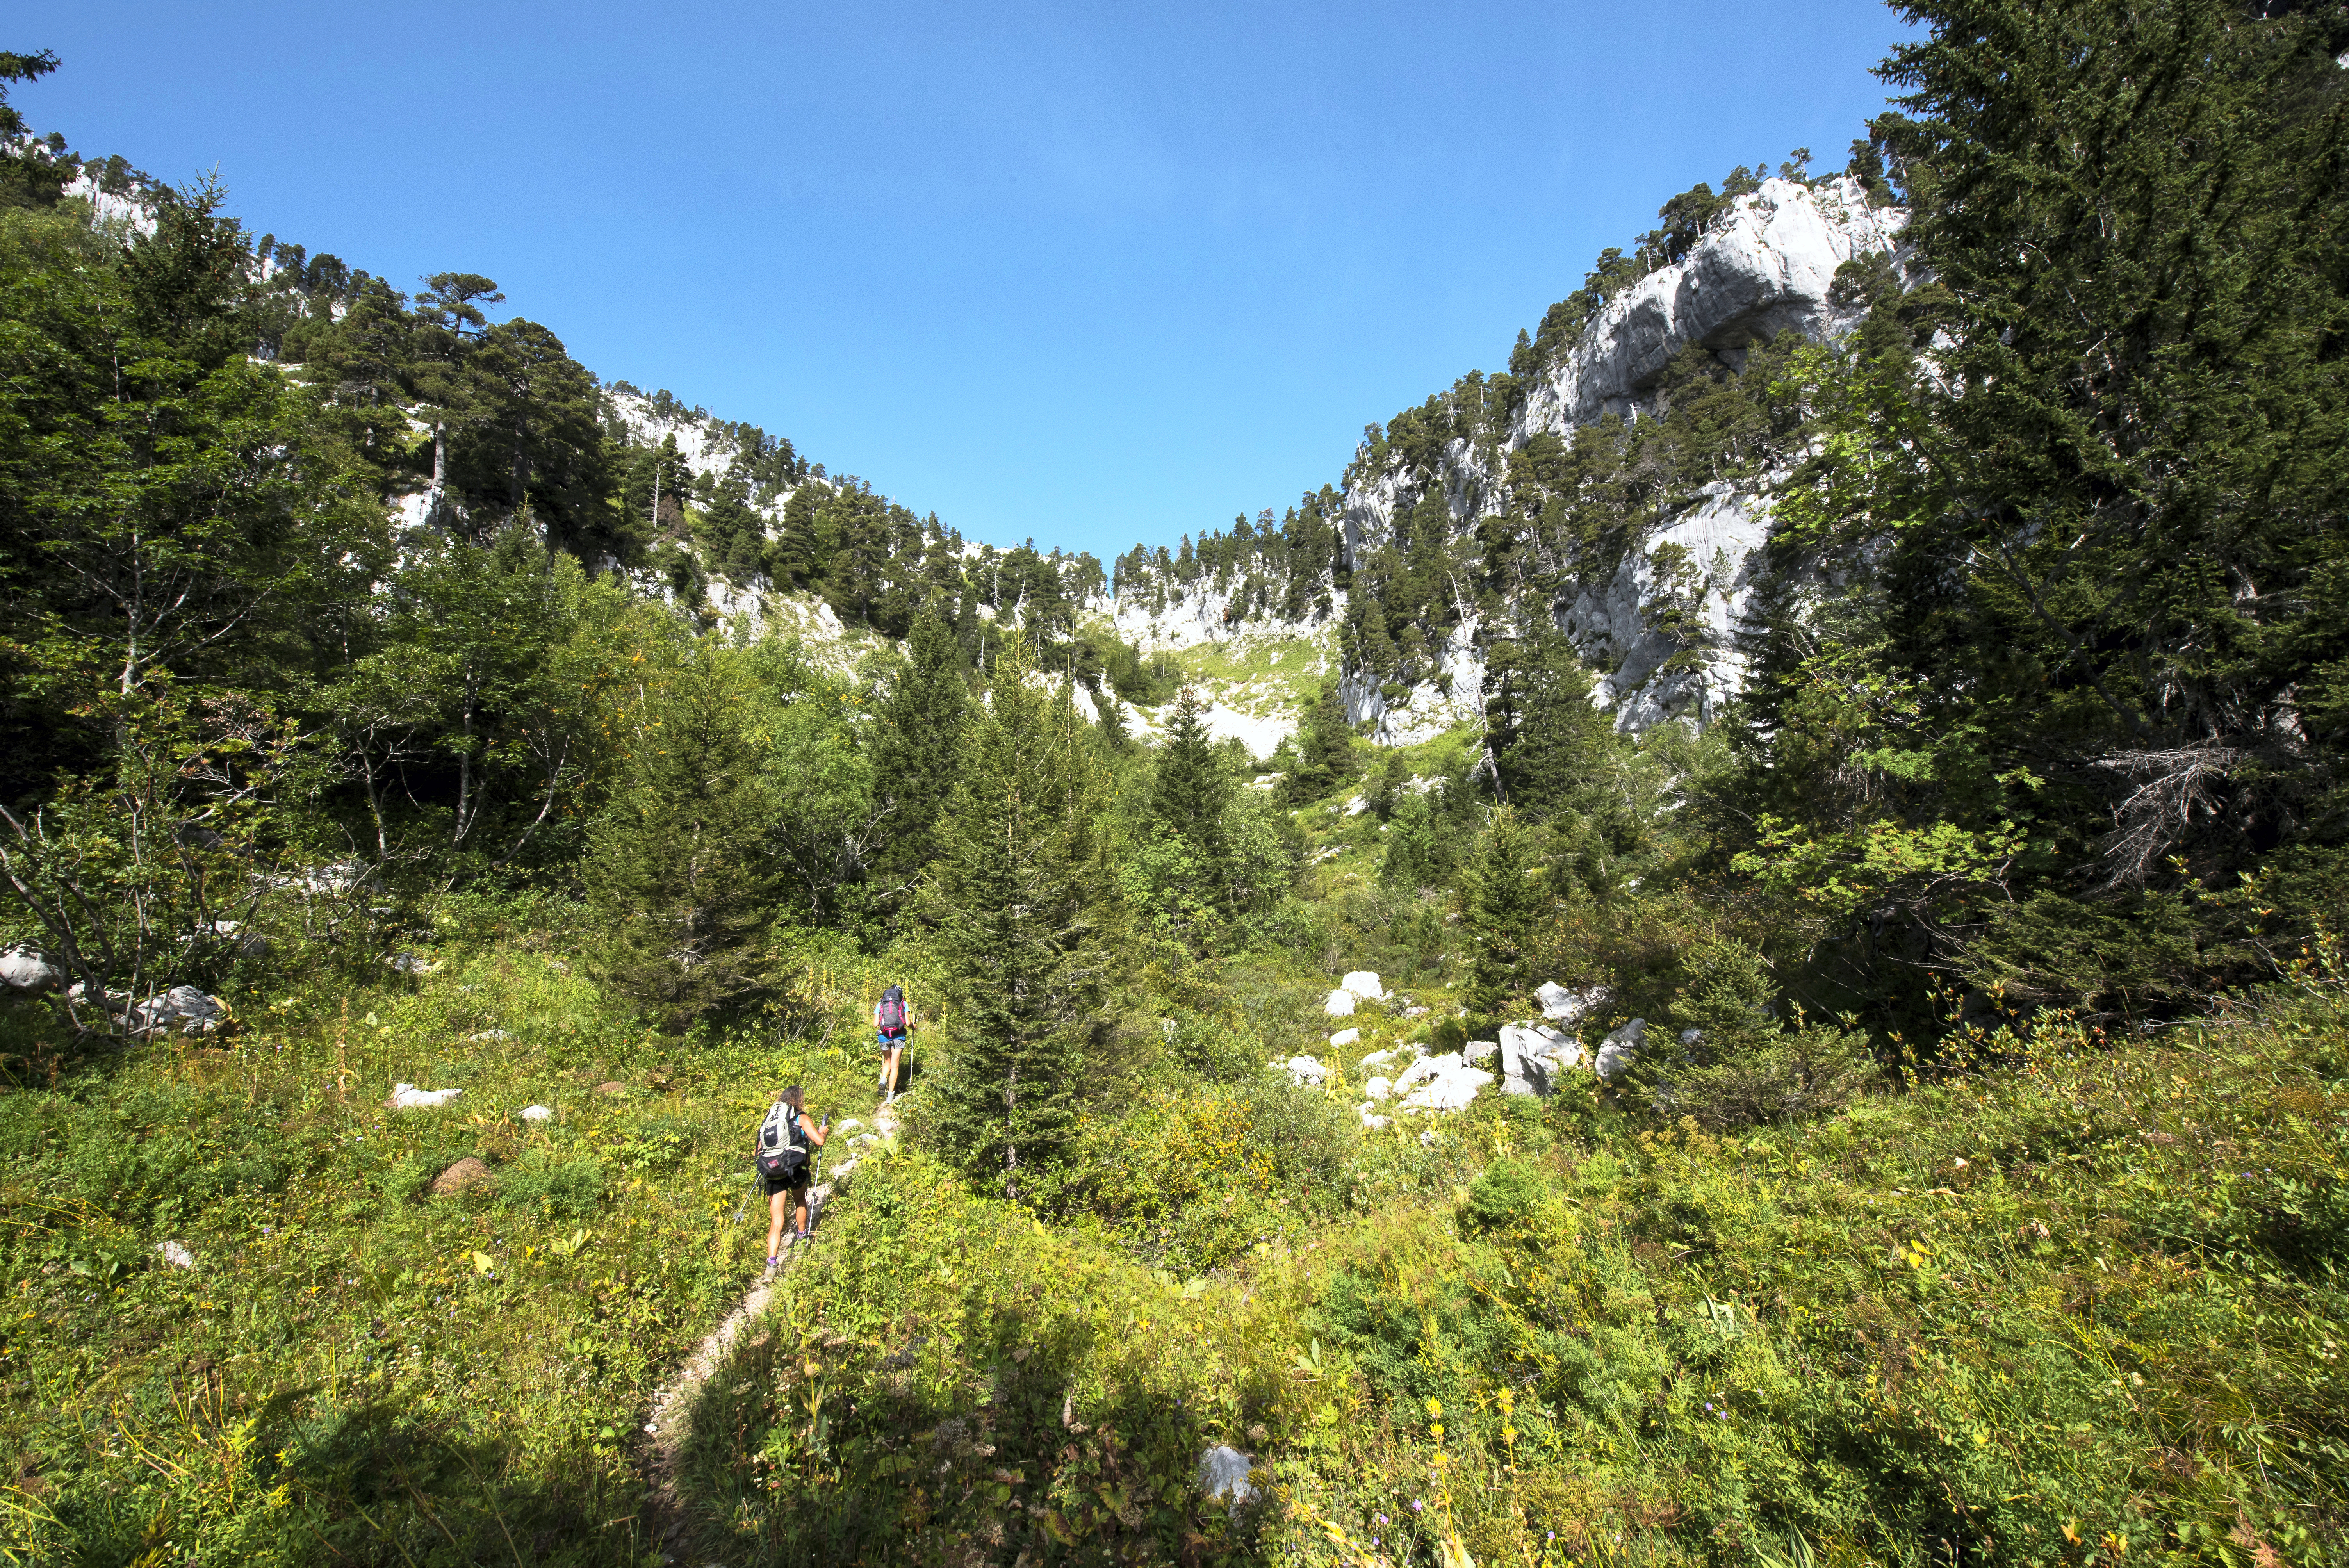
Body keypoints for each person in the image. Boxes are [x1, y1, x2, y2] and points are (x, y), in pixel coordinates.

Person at [763, 1085, 828, 1274]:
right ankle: (802, 1238)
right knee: (800, 1200)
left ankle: (771, 1265)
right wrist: (823, 1132)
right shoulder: (801, 1117)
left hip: (774, 1171)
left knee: (776, 1220)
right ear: (799, 1100)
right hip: (796, 1169)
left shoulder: (770, 1121)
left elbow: (758, 1151)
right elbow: (819, 1141)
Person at [873, 983, 914, 1103]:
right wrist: (914, 1026)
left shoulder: (881, 1003)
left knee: (887, 1061)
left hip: (884, 1036)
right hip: (899, 1036)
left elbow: (875, 1024)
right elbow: (907, 1022)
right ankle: (890, 1097)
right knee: (895, 1066)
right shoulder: (903, 1003)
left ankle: (883, 1080)